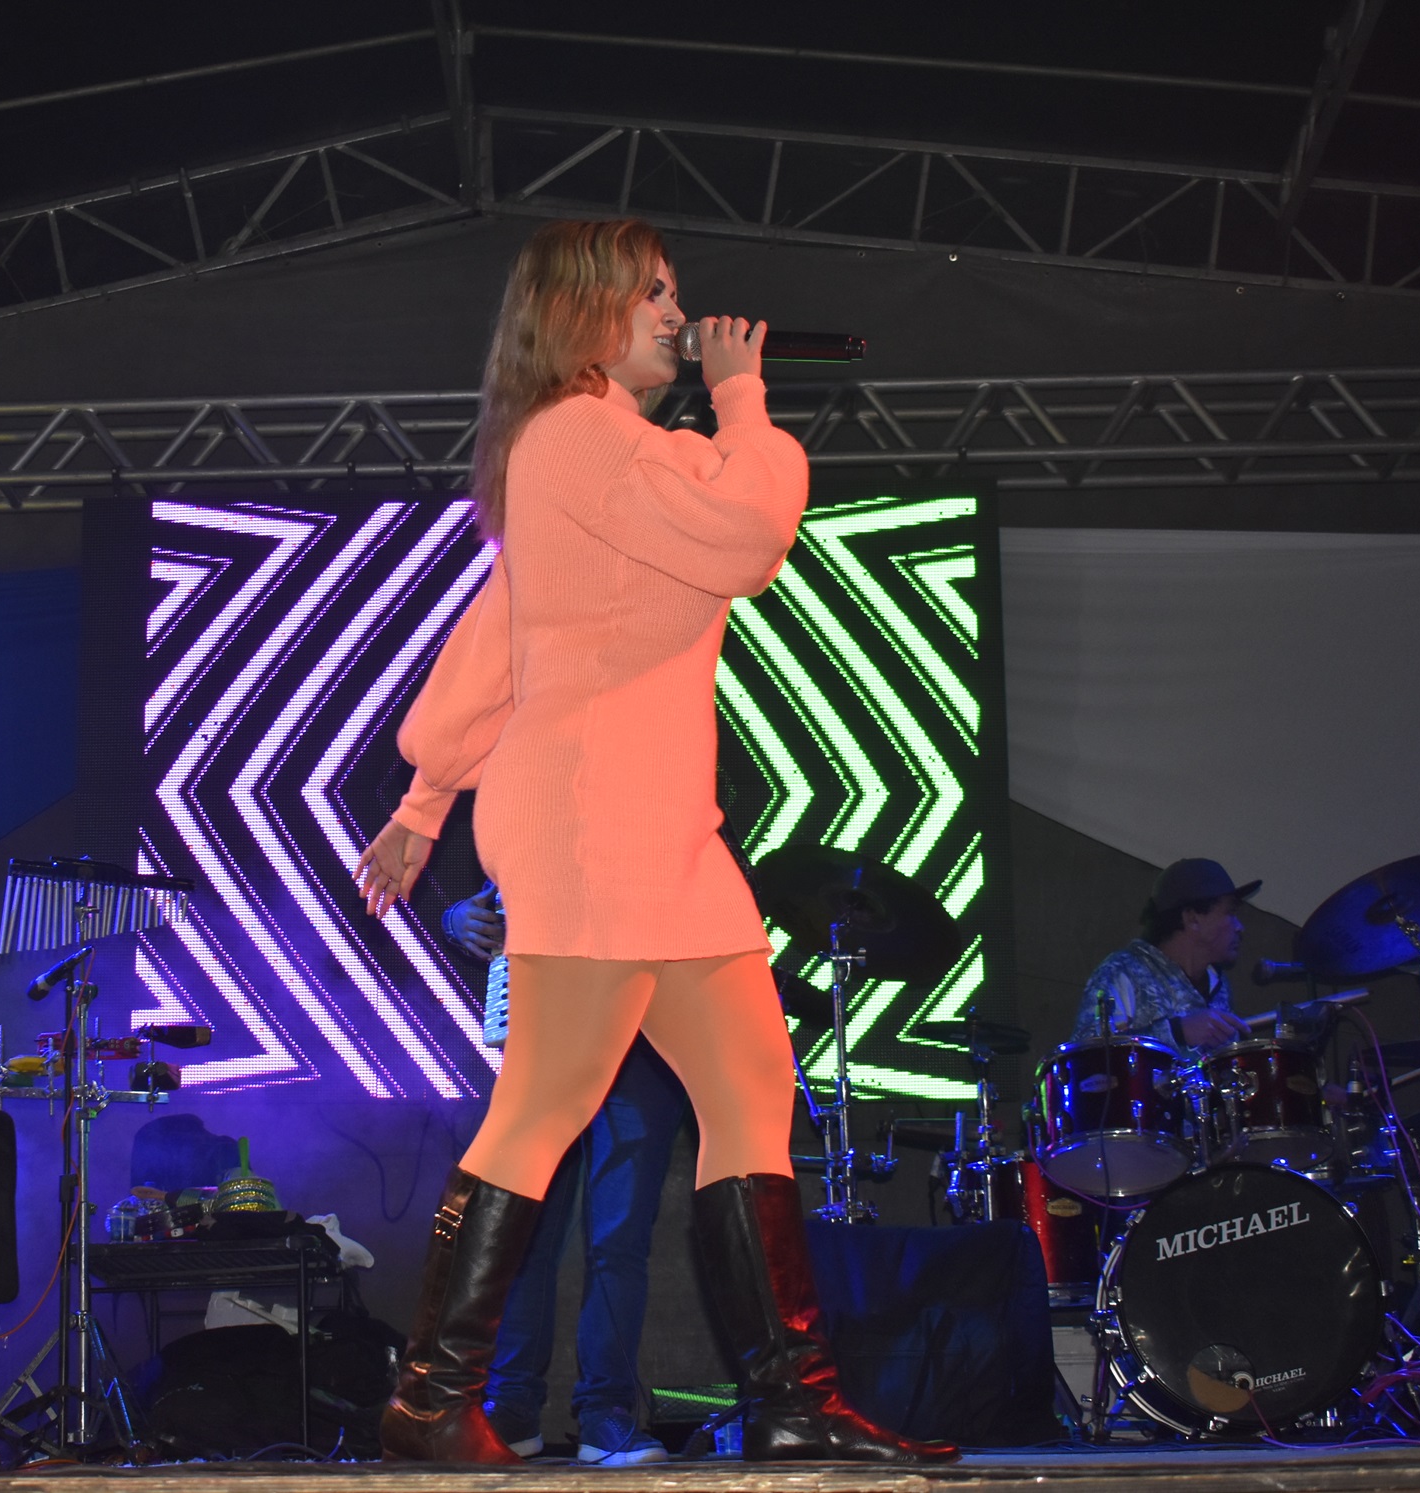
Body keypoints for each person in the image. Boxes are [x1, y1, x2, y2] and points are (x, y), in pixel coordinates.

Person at [355, 218, 953, 1466]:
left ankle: (790, 1397)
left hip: (669, 827)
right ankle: (429, 1397)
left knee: (751, 1093)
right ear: (585, 314)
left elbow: (496, 633)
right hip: (590, 814)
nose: (680, 315)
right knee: (544, 1103)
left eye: (678, 294)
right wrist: (743, 396)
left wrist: (422, 805)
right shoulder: (575, 437)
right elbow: (750, 535)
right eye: (655, 295)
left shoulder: (621, 451)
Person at [439, 883, 687, 1466]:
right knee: (526, 1233)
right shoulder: (538, 823)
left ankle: (606, 1412)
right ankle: (512, 1409)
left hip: (644, 1029)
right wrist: (458, 916)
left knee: (618, 1241)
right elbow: (503, 882)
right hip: (544, 1022)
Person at [1072, 858, 1257, 1050]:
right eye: (1230, 913)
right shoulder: (1122, 971)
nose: (1239, 927)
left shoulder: (1219, 984)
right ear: (1192, 918)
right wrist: (1176, 1032)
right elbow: (1084, 1056)